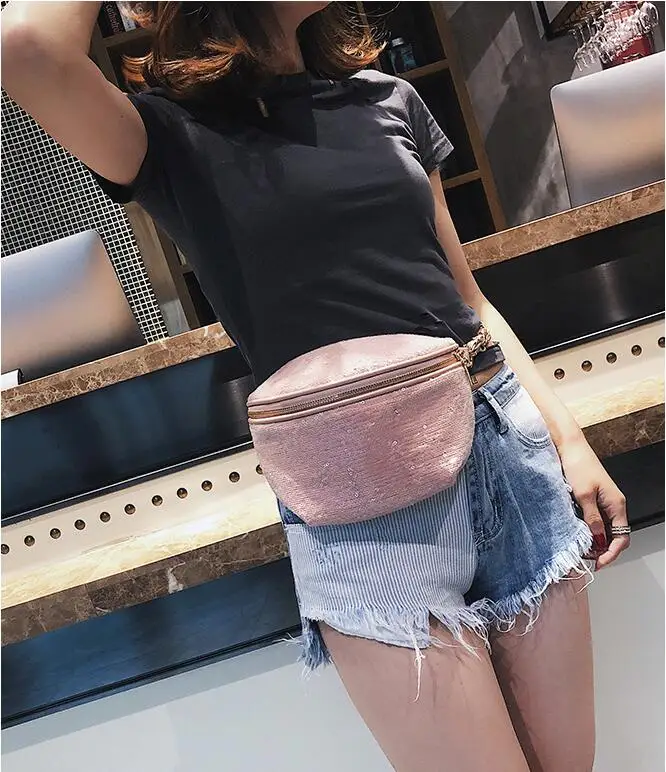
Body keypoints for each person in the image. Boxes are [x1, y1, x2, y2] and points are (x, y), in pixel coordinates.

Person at [1, 3, 631, 770]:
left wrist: (568, 439)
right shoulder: (164, 135)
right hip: (359, 501)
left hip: (508, 447)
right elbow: (25, 48)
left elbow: (467, 299)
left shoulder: (389, 100)